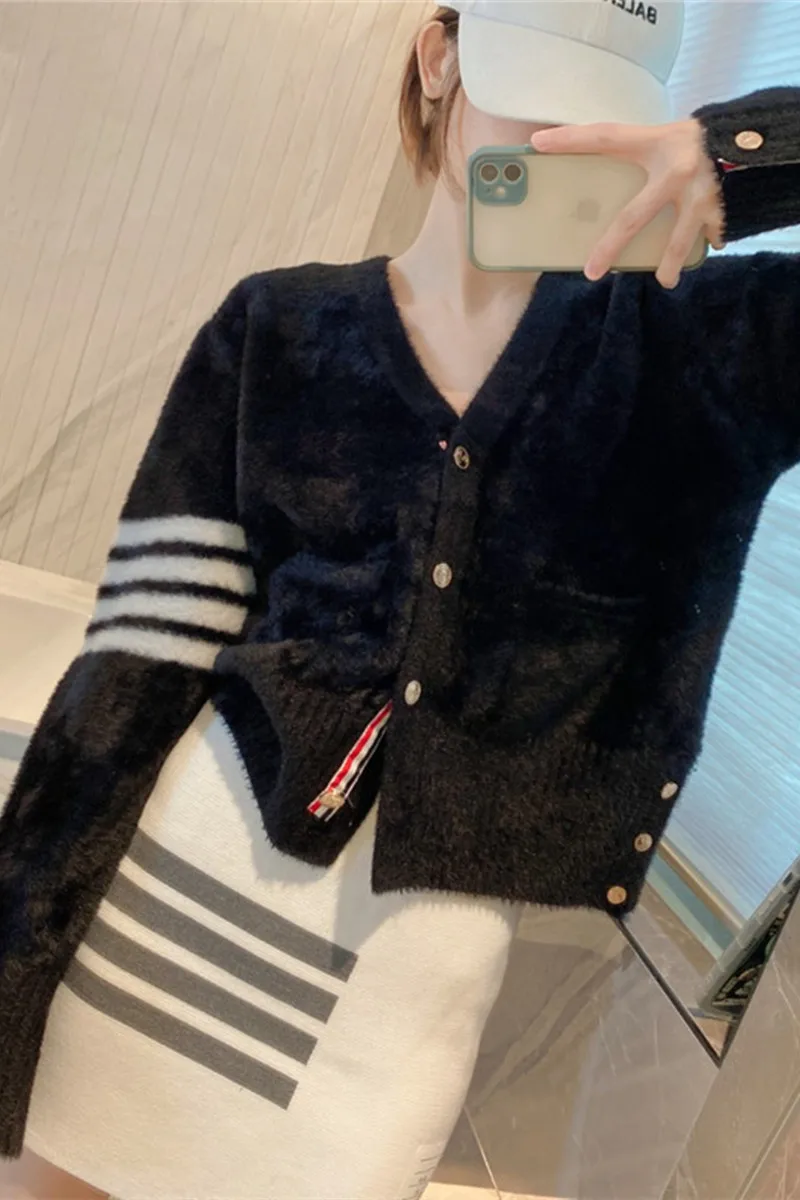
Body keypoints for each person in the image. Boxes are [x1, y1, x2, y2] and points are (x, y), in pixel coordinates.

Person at [1, 2, 799, 1197]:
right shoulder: (278, 325)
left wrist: (742, 152)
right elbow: (138, 654)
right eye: (527, 83)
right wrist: (18, 965)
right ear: (439, 57)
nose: (552, 135)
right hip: (152, 903)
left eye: (596, 105)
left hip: (397, 1002)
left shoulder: (707, 355)